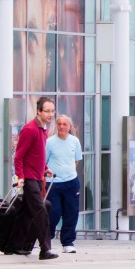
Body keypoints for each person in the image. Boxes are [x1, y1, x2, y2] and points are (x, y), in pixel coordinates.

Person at [11, 96, 57, 260]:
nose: (51, 114)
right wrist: (20, 177)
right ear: (38, 111)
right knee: (41, 210)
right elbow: (19, 156)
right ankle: (45, 249)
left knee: (25, 213)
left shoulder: (43, 130)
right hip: (29, 178)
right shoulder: (30, 129)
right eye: (47, 111)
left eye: (52, 111)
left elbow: (37, 155)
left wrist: (45, 168)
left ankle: (15, 245)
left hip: (37, 177)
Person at [45, 114, 82, 254]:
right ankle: (47, 239)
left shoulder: (75, 141)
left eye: (64, 124)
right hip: (53, 183)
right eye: (59, 124)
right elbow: (45, 161)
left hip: (71, 182)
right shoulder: (50, 142)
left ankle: (68, 242)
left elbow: (77, 160)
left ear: (69, 127)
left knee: (71, 212)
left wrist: (68, 171)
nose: (61, 127)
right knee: (54, 212)